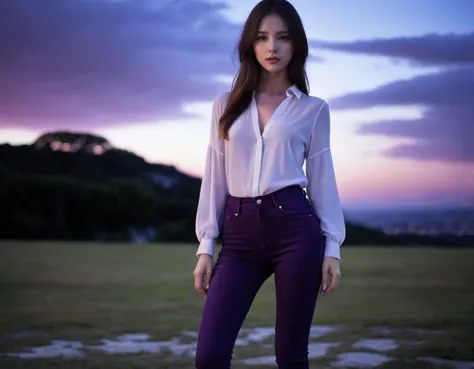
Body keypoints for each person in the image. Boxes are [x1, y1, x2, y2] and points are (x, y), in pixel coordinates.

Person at [192, 0, 345, 368]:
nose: (272, 48)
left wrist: (332, 247)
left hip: (295, 229)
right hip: (239, 234)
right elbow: (215, 176)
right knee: (210, 355)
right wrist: (205, 246)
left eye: (282, 37)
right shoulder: (224, 105)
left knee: (291, 356)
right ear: (250, 44)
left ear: (297, 45)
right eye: (262, 38)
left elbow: (323, 180)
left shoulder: (313, 109)